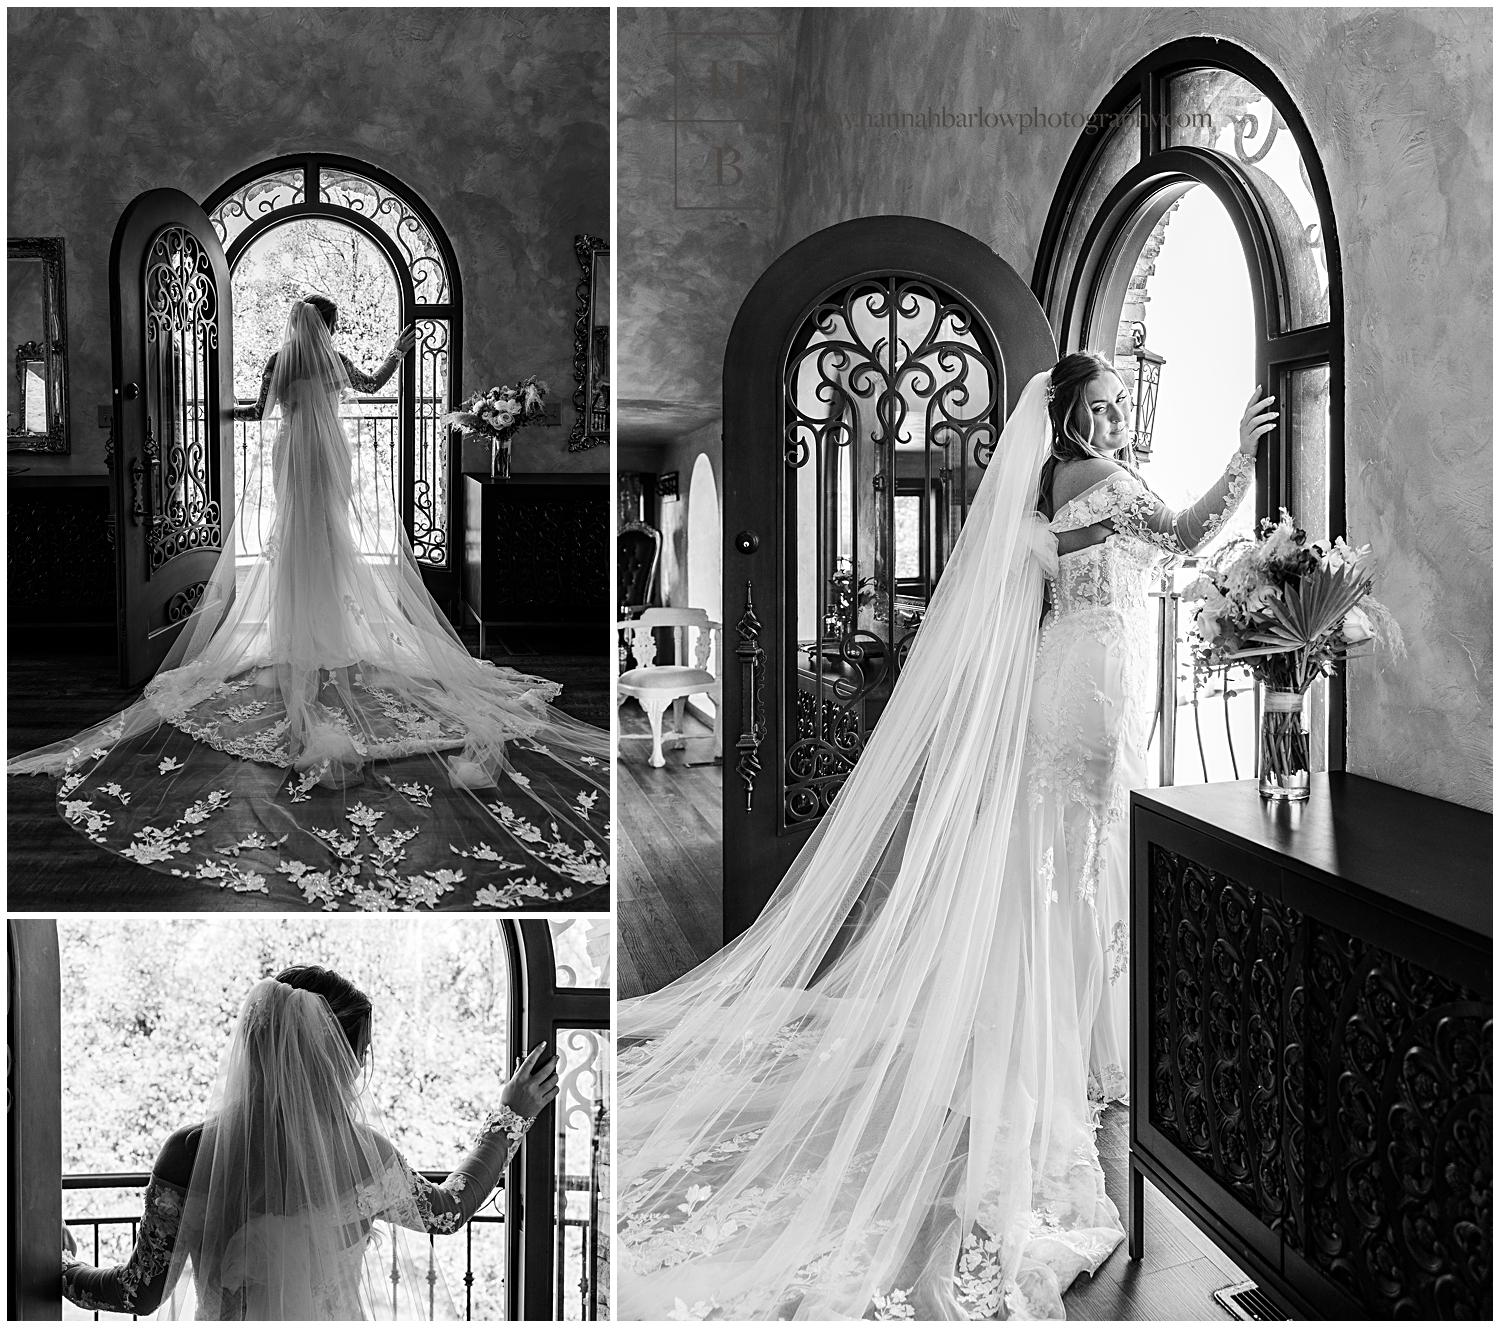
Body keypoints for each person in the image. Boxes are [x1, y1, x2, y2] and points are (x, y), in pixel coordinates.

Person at [617, 353, 1274, 1320]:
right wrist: (1243, 460)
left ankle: (1067, 1040)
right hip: (1092, 694)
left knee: (1061, 869)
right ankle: (1074, 1051)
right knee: (1074, 866)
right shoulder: (1106, 481)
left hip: (1082, 682)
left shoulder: (1050, 488)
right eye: (1101, 406)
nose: (1117, 417)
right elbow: (1183, 534)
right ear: (1070, 417)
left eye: (1120, 404)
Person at [9, 296, 608, 911]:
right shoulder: (335, 361)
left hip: (293, 458)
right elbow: (372, 382)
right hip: (328, 459)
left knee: (295, 543)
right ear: (327, 330)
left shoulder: (277, 361)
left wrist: (203, 404)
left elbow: (257, 407)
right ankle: (329, 631)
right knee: (329, 540)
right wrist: (399, 354)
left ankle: (304, 629)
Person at [60, 964, 558, 1320]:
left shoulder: (189, 1152)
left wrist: (60, 1267)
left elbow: (139, 1294)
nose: (361, 1066)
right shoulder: (366, 1157)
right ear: (335, 1060)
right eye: (359, 1052)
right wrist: (510, 1115)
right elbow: (449, 1210)